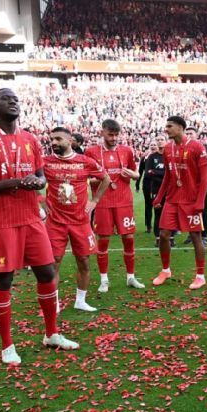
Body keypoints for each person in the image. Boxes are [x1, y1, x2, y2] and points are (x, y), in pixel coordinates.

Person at [0, 87, 73, 366]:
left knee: (47, 273)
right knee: (3, 280)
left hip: (31, 217)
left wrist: (37, 182)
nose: (12, 101)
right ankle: (7, 346)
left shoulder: (30, 139)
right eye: (5, 98)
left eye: (15, 99)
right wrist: (14, 183)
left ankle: (52, 334)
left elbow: (41, 177)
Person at [45, 126, 112, 313]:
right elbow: (32, 179)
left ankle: (80, 301)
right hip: (55, 222)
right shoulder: (45, 162)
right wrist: (41, 201)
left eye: (58, 139)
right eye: (52, 139)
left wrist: (94, 201)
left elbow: (106, 179)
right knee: (53, 263)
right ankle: (53, 303)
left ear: (70, 140)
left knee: (83, 261)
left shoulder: (85, 161)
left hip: (80, 222)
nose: (54, 142)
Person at [85, 119, 145, 292]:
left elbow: (136, 174)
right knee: (103, 240)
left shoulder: (127, 150)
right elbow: (86, 178)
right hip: (103, 202)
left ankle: (131, 277)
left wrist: (132, 174)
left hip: (124, 201)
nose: (114, 138)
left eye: (116, 135)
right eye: (110, 135)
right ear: (102, 132)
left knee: (129, 238)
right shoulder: (91, 152)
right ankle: (104, 279)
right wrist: (102, 179)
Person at [150, 116, 207, 289]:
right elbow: (168, 176)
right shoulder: (167, 148)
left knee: (195, 236)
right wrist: (159, 197)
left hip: (191, 201)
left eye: (170, 126)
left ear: (180, 127)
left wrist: (200, 202)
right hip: (172, 199)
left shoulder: (197, 147)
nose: (166, 129)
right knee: (163, 235)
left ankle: (200, 276)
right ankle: (165, 270)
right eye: (166, 126)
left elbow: (204, 177)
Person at [139, 145, 166, 235]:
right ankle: (148, 226)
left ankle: (169, 228)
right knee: (149, 206)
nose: (154, 146)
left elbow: (168, 172)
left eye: (155, 145)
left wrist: (155, 172)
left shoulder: (165, 156)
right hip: (148, 185)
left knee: (165, 207)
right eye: (152, 144)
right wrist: (137, 184)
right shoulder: (146, 157)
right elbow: (143, 172)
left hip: (162, 185)